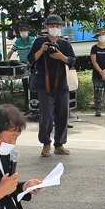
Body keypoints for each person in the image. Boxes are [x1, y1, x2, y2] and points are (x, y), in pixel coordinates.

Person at [28, 14, 75, 156]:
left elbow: (72, 61)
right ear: (46, 27)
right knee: (46, 115)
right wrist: (42, 49)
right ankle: (45, 143)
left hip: (62, 84)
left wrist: (61, 56)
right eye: (51, 26)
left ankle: (59, 144)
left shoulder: (65, 44)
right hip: (44, 84)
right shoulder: (39, 41)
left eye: (57, 26)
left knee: (62, 114)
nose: (54, 28)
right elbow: (31, 60)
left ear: (61, 27)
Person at [90, 28, 105, 117]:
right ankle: (98, 110)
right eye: (100, 35)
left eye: (103, 34)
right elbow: (94, 61)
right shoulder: (94, 48)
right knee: (98, 93)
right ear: (97, 37)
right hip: (97, 74)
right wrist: (101, 72)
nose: (102, 36)